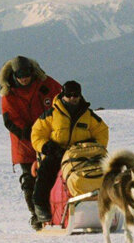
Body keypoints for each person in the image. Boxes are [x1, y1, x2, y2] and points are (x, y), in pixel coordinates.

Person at [30, 80, 109, 224]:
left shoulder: (88, 115)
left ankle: (106, 202)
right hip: (56, 154)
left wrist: (95, 148)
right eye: (69, 95)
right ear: (62, 94)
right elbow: (37, 133)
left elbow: (102, 131)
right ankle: (41, 207)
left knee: (103, 170)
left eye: (76, 95)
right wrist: (46, 146)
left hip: (80, 155)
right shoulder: (52, 114)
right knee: (46, 171)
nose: (72, 98)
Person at [0, 56, 62, 230]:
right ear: (14, 75)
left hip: (51, 139)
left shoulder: (46, 84)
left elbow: (61, 101)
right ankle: (37, 215)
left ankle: (59, 209)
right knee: (30, 180)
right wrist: (31, 133)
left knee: (56, 173)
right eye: (20, 74)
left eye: (27, 73)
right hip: (25, 144)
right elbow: (11, 120)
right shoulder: (8, 94)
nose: (24, 77)